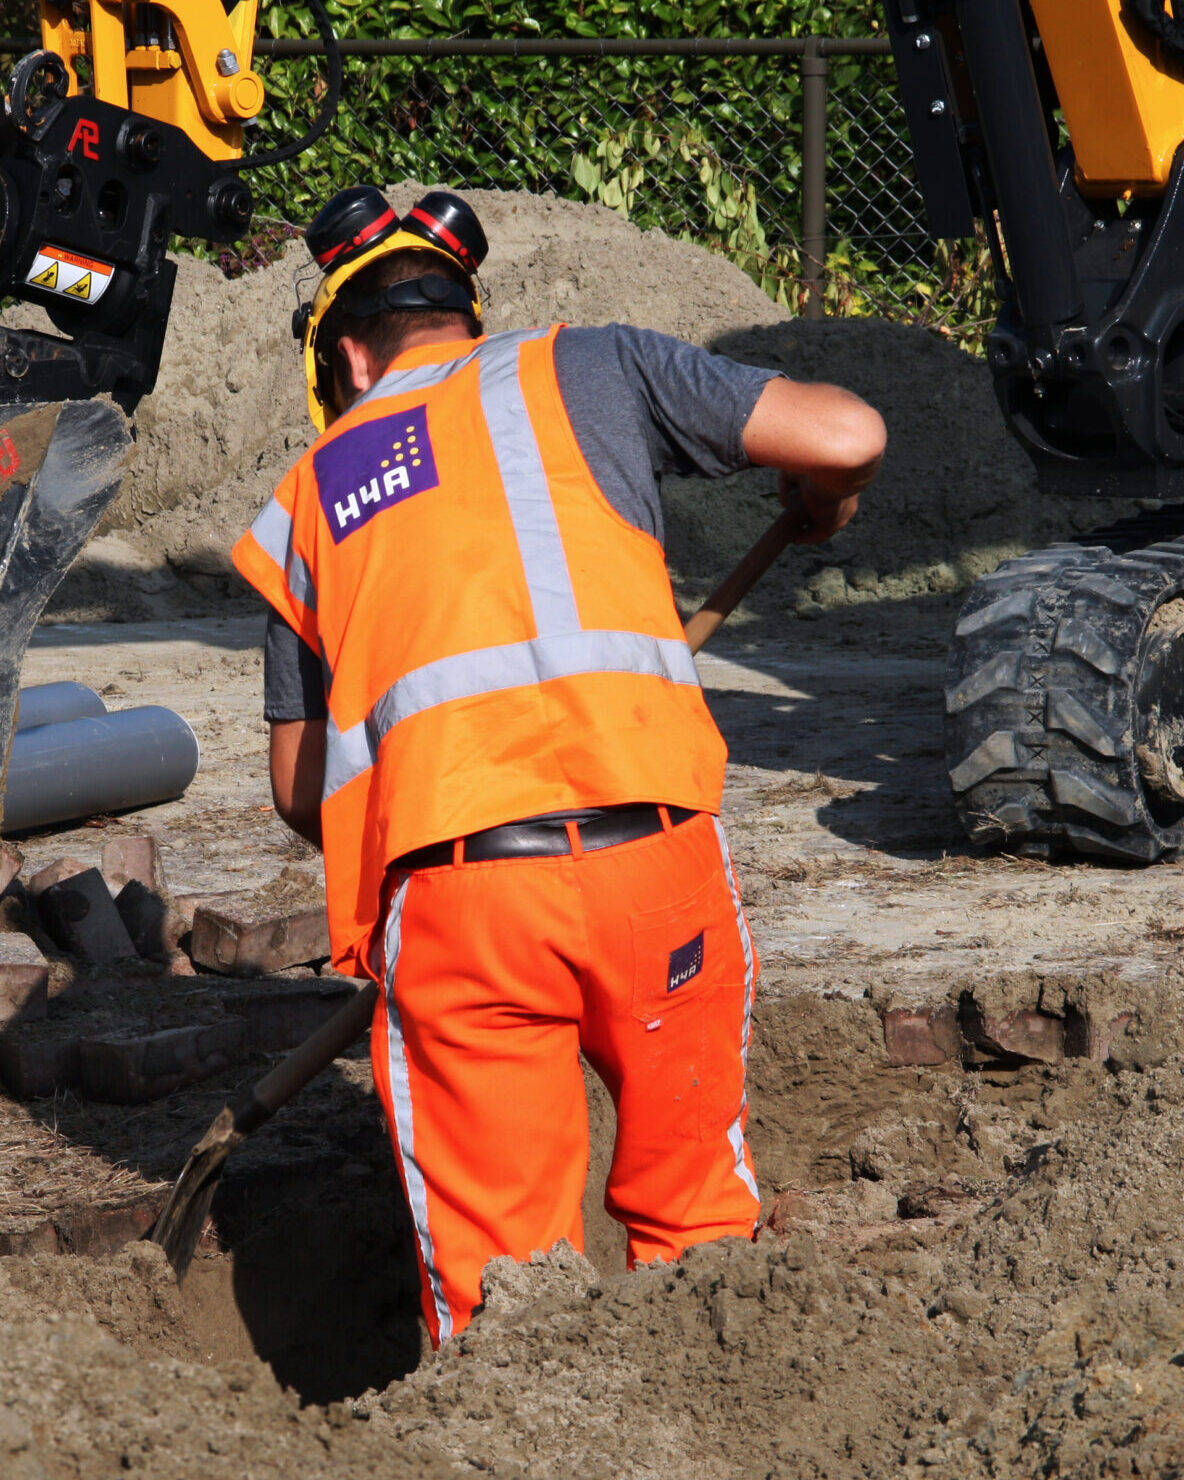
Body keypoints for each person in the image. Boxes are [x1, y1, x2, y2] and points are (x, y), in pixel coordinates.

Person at [231, 186, 885, 1344]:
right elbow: (846, 436)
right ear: (464, 318)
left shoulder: (310, 495)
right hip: (659, 876)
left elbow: (299, 790)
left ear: (346, 355)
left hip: (462, 904)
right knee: (699, 1243)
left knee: (505, 1315)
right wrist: (821, 500)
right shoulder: (588, 369)